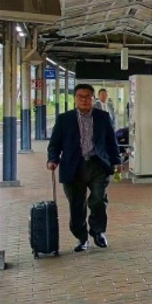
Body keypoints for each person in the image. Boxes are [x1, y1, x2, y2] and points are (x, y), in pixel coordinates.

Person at [46, 83, 123, 252]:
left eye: (87, 96)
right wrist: (52, 159)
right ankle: (81, 238)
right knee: (76, 204)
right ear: (74, 99)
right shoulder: (64, 119)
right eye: (80, 96)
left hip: (97, 165)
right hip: (73, 167)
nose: (84, 100)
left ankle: (97, 232)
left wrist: (117, 161)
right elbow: (55, 144)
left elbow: (111, 141)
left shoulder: (102, 117)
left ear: (92, 98)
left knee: (98, 200)